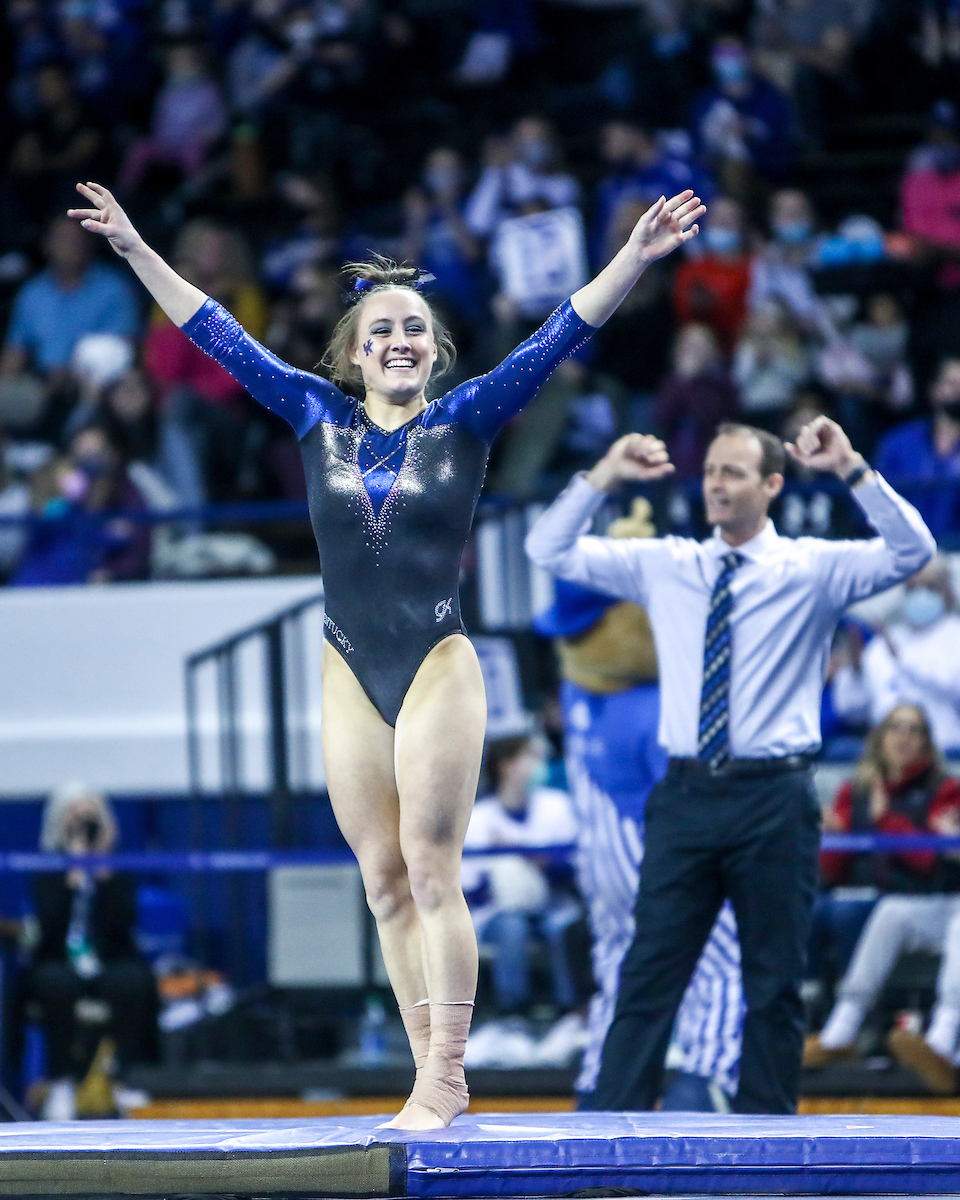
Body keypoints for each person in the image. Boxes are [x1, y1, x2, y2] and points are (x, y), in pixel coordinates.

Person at [68, 178, 705, 1128]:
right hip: (345, 669)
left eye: (415, 329)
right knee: (382, 881)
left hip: (438, 660)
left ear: (435, 350)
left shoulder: (469, 418)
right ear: (355, 353)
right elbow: (214, 331)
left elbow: (560, 331)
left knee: (432, 863)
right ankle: (423, 1073)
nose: (399, 342)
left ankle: (448, 1074)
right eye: (381, 332)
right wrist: (131, 247)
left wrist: (635, 258)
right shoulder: (313, 412)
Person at [525, 415, 935, 1113]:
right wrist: (604, 476)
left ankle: (769, 1146)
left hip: (774, 798)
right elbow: (547, 546)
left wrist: (851, 469)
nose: (716, 483)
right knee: (647, 974)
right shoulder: (670, 563)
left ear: (773, 485)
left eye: (734, 472)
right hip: (684, 796)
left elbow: (912, 548)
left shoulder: (814, 567)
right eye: (711, 470)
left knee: (773, 980)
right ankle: (603, 1146)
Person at [536, 497, 743, 1111]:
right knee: (722, 954)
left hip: (599, 856)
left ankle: (605, 1094)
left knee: (621, 973)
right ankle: (702, 1088)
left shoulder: (577, 689)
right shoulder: (658, 704)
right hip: (654, 848)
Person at [805, 705, 960, 1095]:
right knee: (884, 913)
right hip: (897, 904)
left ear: (926, 740)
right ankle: (840, 1030)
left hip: (941, 900)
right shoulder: (855, 788)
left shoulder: (945, 787)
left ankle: (941, 1040)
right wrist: (832, 837)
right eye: (895, 728)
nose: (904, 737)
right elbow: (832, 872)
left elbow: (928, 863)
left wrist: (885, 818)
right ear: (880, 736)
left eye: (914, 730)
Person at [25, 783, 159, 1120]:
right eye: (75, 813)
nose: (83, 821)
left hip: (109, 960)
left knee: (131, 980)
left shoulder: (117, 870)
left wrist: (100, 867)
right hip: (60, 961)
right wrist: (72, 870)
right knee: (55, 983)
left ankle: (127, 1077)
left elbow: (122, 924)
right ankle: (62, 1078)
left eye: (90, 813)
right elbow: (50, 928)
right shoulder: (48, 870)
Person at [462, 734, 580, 1015]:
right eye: (530, 757)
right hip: (498, 911)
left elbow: (572, 873)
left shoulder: (557, 806)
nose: (538, 765)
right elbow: (469, 888)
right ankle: (512, 1014)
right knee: (512, 927)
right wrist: (503, 881)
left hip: (554, 903)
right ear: (506, 766)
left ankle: (570, 1012)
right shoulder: (479, 817)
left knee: (561, 928)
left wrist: (524, 854)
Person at [830, 557, 960, 754]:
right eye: (913, 588)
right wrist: (855, 672)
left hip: (942, 753)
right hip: (885, 759)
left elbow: (954, 685)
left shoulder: (954, 636)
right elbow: (850, 710)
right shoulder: (883, 643)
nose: (921, 595)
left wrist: (902, 659)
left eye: (931, 588)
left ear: (948, 592)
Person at [1, 215, 140, 379]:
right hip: (41, 384)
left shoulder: (114, 288)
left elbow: (125, 348)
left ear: (89, 244)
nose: (69, 246)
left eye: (76, 240)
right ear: (46, 244)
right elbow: (15, 351)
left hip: (99, 385)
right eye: (62, 239)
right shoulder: (33, 292)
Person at [874, 356, 960, 541]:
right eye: (952, 383)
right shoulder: (897, 443)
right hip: (905, 550)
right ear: (934, 390)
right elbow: (877, 502)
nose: (958, 390)